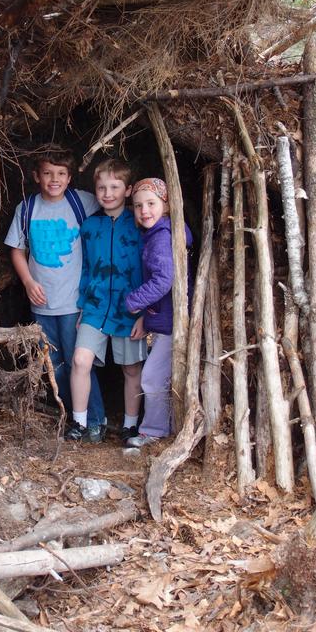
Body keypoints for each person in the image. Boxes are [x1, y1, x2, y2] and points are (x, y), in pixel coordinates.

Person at [4, 145, 106, 439]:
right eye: (48, 173)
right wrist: (27, 282)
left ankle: (96, 419)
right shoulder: (27, 209)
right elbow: (17, 250)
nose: (54, 179)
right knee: (56, 365)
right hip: (42, 304)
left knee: (80, 362)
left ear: (70, 177)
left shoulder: (81, 203)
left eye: (61, 174)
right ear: (36, 176)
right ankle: (76, 420)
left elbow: (112, 205)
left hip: (75, 302)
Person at [66, 158, 147, 443]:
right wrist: (82, 305)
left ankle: (130, 425)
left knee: (131, 368)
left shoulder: (139, 223)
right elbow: (86, 268)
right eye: (101, 187)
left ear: (128, 190)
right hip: (95, 306)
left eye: (115, 186)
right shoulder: (89, 226)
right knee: (80, 360)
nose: (107, 193)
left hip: (130, 307)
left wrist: (144, 313)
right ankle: (79, 422)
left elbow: (152, 266)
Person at [124, 177, 193, 447]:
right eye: (138, 205)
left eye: (151, 203)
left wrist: (134, 302)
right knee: (162, 376)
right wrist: (146, 317)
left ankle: (153, 431)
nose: (144, 211)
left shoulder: (162, 237)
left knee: (151, 378)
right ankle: (166, 428)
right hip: (165, 319)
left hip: (173, 323)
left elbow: (164, 279)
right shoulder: (159, 233)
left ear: (166, 205)